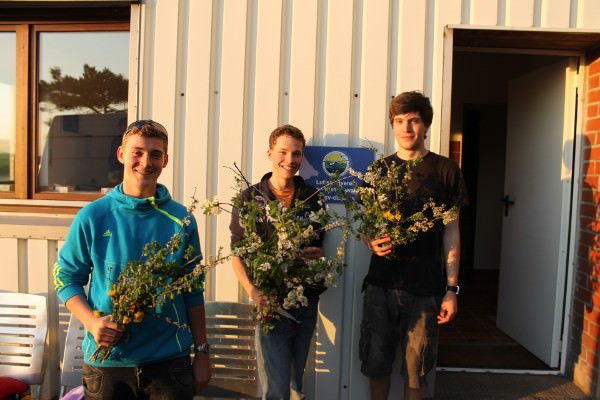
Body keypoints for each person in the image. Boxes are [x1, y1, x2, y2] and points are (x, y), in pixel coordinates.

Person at [53, 120, 211, 399]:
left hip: (169, 363)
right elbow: (66, 279)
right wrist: (92, 323)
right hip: (108, 365)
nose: (145, 161)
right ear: (121, 154)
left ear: (165, 160)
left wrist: (201, 352)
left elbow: (193, 291)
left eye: (155, 154)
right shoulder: (92, 216)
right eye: (137, 152)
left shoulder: (182, 221)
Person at [359, 92, 468, 400]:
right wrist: (370, 240)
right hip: (381, 284)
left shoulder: (446, 171)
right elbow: (366, 224)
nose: (406, 128)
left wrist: (451, 290)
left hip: (427, 288)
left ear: (426, 125)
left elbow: (452, 233)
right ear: (393, 126)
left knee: (416, 370)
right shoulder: (378, 172)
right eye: (399, 121)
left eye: (414, 121)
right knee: (376, 364)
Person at [229, 124, 325, 400]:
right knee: (275, 385)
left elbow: (319, 249)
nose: (290, 160)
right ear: (270, 153)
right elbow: (238, 254)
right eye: (283, 152)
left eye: (296, 154)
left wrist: (316, 256)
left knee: (296, 381)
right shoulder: (250, 199)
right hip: (269, 301)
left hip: (305, 301)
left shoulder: (313, 199)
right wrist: (253, 291)